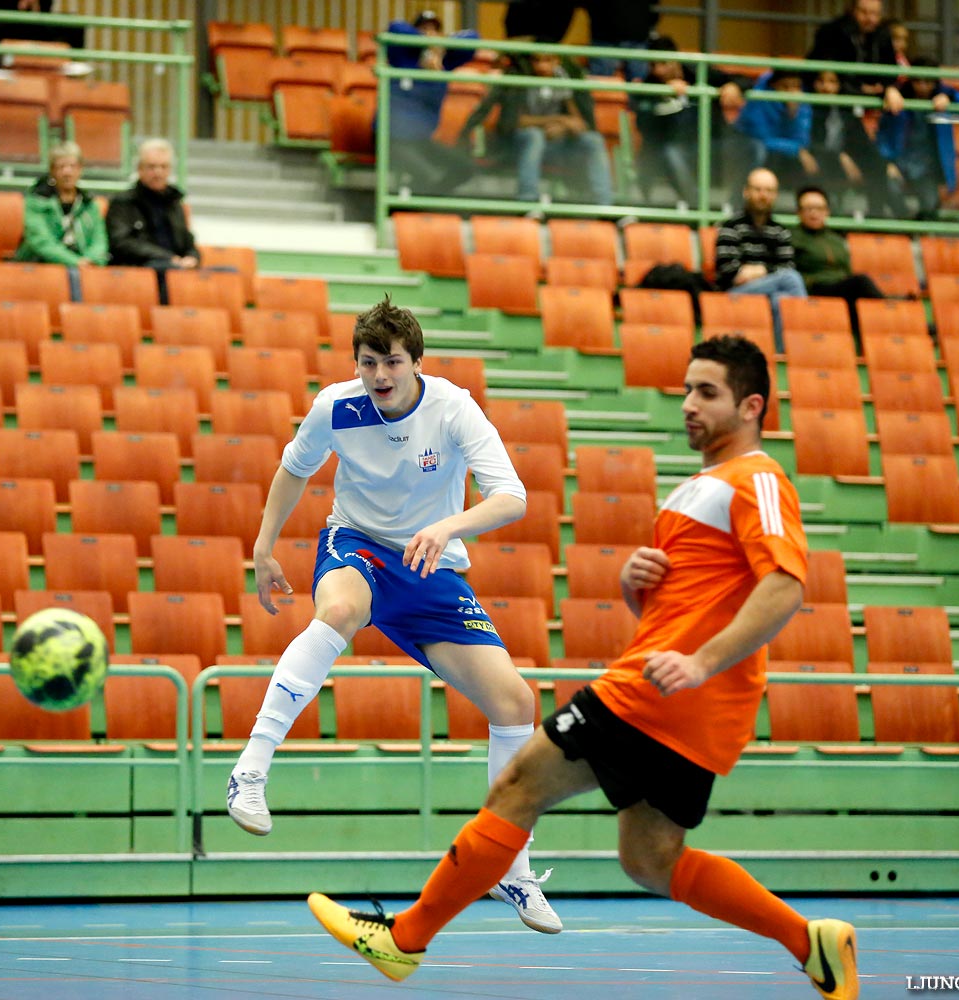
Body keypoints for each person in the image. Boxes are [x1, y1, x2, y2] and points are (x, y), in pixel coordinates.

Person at [307, 335, 859, 1000]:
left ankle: (404, 940)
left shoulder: (759, 480)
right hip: (688, 707)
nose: (688, 404)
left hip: (657, 694)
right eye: (685, 389)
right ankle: (812, 943)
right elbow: (686, 607)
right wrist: (636, 586)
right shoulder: (698, 489)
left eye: (706, 393)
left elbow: (786, 587)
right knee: (650, 861)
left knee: (516, 786)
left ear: (752, 406)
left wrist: (700, 661)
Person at [225, 296, 562, 935]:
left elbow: (511, 497)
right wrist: (265, 547)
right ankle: (250, 768)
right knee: (342, 609)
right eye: (369, 362)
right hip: (356, 543)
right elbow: (294, 470)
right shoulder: (336, 406)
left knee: (515, 705)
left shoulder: (454, 408)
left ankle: (510, 868)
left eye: (393, 362)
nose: (380, 376)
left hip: (430, 563)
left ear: (415, 363)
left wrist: (447, 527)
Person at [458, 50, 614, 211]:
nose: (542, 66)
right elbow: (518, 121)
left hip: (555, 145)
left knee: (593, 140)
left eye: (547, 60)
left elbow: (579, 124)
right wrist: (559, 120)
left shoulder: (566, 80)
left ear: (557, 62)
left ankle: (604, 204)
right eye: (537, 61)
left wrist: (564, 127)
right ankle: (527, 201)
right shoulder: (522, 80)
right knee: (534, 136)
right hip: (518, 145)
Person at [629, 34, 750, 209]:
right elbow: (644, 126)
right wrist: (663, 96)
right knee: (670, 153)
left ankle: (734, 204)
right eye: (653, 65)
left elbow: (744, 80)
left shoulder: (699, 73)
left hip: (713, 147)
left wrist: (735, 86)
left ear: (676, 60)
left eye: (663, 63)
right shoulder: (649, 87)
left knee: (754, 148)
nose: (658, 71)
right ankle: (698, 208)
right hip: (674, 150)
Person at [384, 10, 478, 195]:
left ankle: (416, 205)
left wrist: (440, 45)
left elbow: (473, 38)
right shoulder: (402, 57)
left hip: (420, 141)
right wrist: (425, 42)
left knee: (465, 169)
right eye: (423, 28)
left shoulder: (446, 62)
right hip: (390, 139)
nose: (429, 32)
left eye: (434, 29)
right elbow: (395, 27)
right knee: (429, 176)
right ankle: (406, 212)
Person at [875, 58, 959, 219]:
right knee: (889, 189)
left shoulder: (943, 95)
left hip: (926, 168)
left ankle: (921, 236)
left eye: (928, 82)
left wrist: (949, 97)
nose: (923, 87)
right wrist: (887, 163)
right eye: (918, 82)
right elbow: (882, 133)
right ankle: (905, 229)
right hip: (898, 163)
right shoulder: (897, 96)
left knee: (930, 207)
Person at [716, 168, 807, 346]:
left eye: (769, 191)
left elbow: (787, 265)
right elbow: (729, 272)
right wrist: (770, 272)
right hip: (733, 294)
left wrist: (759, 270)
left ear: (775, 195)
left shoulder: (780, 231)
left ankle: (781, 355)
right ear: (746, 192)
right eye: (758, 190)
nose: (763, 195)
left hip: (769, 291)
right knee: (791, 279)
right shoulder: (730, 227)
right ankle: (803, 341)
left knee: (780, 299)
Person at [104, 138, 198, 303]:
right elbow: (121, 243)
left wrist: (192, 257)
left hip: (174, 265)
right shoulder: (124, 202)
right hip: (140, 267)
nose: (158, 172)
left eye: (163, 167)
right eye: (152, 167)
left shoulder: (175, 203)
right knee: (169, 270)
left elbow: (187, 241)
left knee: (228, 273)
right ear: (140, 169)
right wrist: (168, 257)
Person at [13, 141, 108, 300]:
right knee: (72, 275)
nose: (67, 172)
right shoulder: (36, 201)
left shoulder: (89, 204)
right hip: (43, 264)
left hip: (82, 266)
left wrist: (90, 261)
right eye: (61, 167)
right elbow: (41, 242)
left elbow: (100, 241)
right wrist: (76, 262)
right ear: (52, 171)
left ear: (80, 169)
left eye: (72, 166)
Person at [791, 185, 886, 335]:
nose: (814, 213)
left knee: (862, 306)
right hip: (816, 289)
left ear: (827, 211)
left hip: (842, 289)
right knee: (861, 282)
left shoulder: (836, 240)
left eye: (819, 208)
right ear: (799, 212)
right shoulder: (793, 238)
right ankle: (892, 312)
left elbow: (846, 270)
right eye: (808, 208)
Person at [803, 69, 898, 216]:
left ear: (839, 85)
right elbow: (810, 143)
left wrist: (887, 163)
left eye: (832, 82)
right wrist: (841, 157)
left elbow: (862, 142)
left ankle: (877, 215)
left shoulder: (845, 107)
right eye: (821, 82)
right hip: (819, 158)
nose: (826, 87)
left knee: (877, 164)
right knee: (829, 162)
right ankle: (834, 215)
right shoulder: (809, 107)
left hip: (845, 156)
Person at [806, 0, 904, 112]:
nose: (870, 19)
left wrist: (888, 88)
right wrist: (859, 88)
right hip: (836, 100)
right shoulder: (832, 32)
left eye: (875, 14)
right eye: (864, 12)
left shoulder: (883, 35)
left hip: (876, 101)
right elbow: (825, 70)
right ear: (852, 11)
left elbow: (891, 69)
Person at [736, 71, 812, 189]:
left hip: (786, 153)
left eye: (796, 87)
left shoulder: (802, 106)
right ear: (773, 86)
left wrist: (792, 115)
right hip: (749, 146)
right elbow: (762, 138)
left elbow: (803, 141)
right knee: (759, 150)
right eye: (785, 87)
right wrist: (796, 149)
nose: (792, 92)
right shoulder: (758, 99)